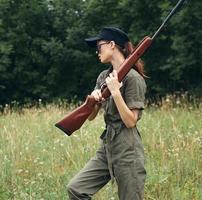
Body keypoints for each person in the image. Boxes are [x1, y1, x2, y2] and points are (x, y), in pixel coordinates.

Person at [66, 27, 147, 200]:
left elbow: (131, 121)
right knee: (76, 189)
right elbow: (91, 116)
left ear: (112, 45)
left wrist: (116, 93)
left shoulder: (133, 79)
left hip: (127, 149)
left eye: (99, 47)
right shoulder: (104, 76)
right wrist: (93, 102)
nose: (97, 52)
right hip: (107, 146)